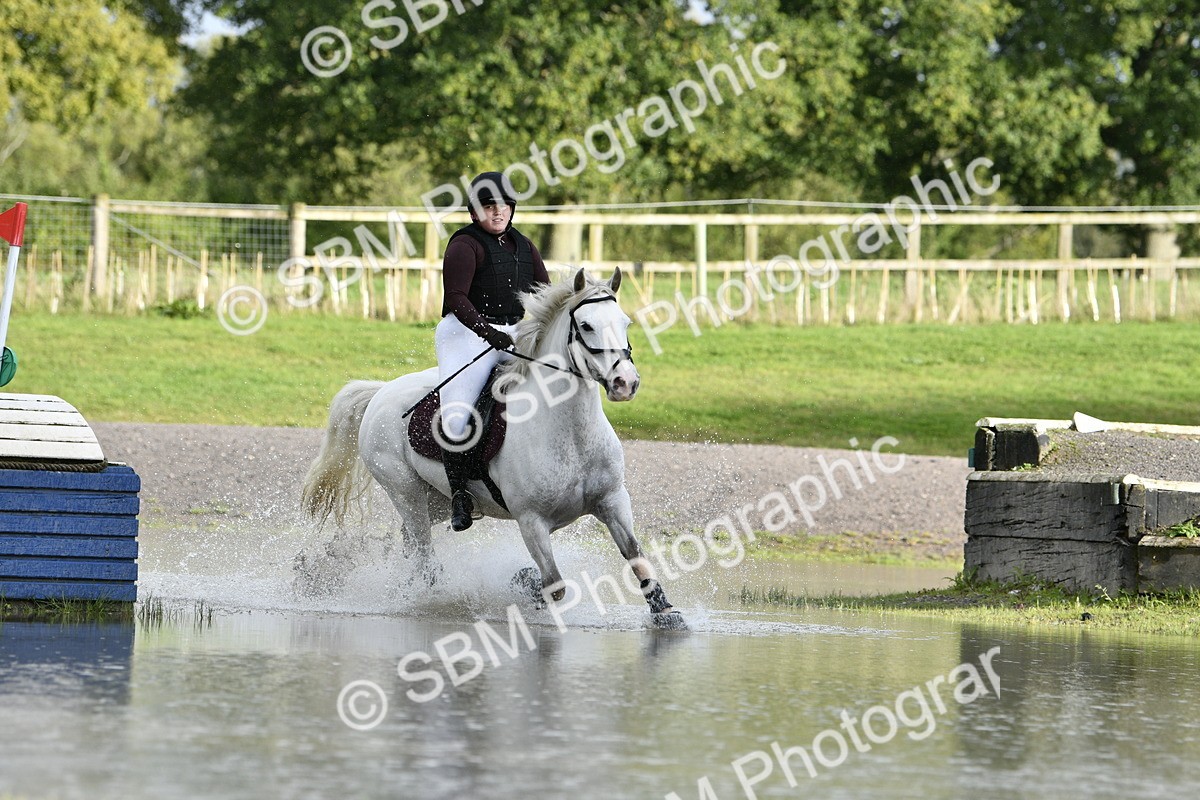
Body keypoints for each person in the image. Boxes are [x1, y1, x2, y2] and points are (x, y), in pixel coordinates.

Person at [436, 171, 549, 530]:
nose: (497, 212)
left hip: (512, 332)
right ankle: (459, 495)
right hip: (465, 334)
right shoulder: (464, 246)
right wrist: (488, 333)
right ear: (474, 213)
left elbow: (545, 294)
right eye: (488, 206)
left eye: (503, 205)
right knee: (455, 419)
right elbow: (456, 297)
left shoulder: (524, 245)